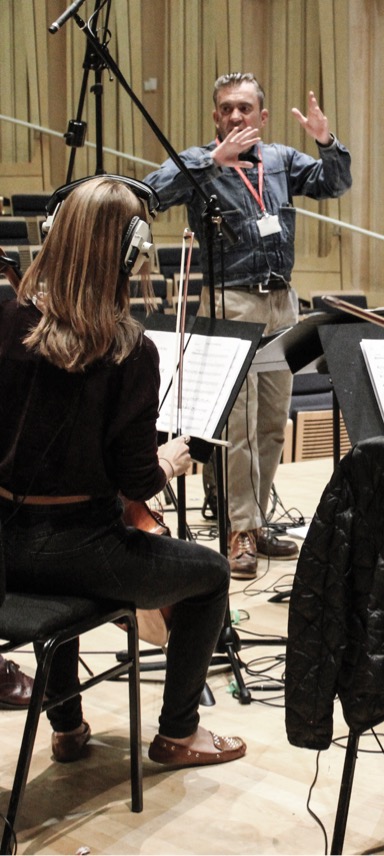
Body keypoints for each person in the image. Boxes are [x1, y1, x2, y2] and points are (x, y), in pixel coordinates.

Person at [0, 176, 244, 767]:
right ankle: (179, 734)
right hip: (81, 549)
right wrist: (168, 459)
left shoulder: (6, 323)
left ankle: (67, 728)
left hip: (4, 545)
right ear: (130, 252)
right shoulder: (129, 349)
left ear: (54, 235)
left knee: (67, 573)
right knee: (210, 575)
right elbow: (137, 482)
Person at [144, 72, 352, 579]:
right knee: (236, 425)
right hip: (228, 301)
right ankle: (238, 528)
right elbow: (151, 192)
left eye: (245, 108)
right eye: (226, 109)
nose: (236, 116)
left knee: (271, 423)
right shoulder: (201, 163)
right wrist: (209, 161)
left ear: (262, 115)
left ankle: (256, 523)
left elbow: (335, 183)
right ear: (216, 117)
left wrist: (327, 142)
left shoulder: (280, 160)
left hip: (282, 302)